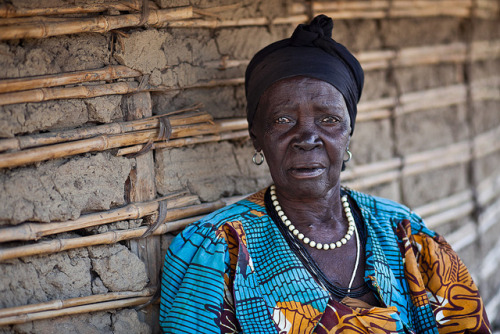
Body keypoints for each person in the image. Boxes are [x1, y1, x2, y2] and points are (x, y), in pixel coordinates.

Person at [159, 15, 491, 333]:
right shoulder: (220, 249)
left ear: (349, 131)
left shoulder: (403, 233)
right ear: (256, 136)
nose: (307, 139)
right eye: (283, 120)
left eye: (328, 119)